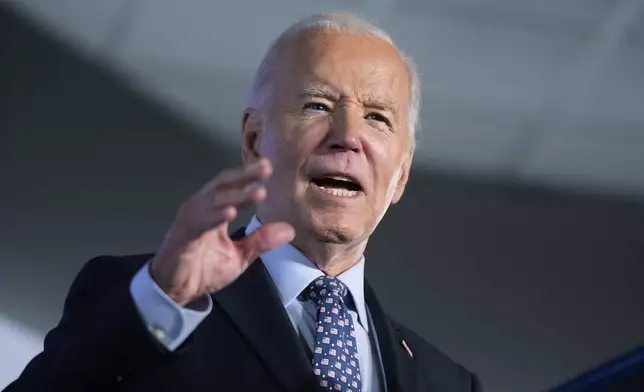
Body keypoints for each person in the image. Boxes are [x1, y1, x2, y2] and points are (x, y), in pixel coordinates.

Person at [4, 12, 482, 392]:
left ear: (400, 174)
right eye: (317, 105)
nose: (348, 136)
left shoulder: (447, 382)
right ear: (255, 140)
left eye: (377, 117)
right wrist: (161, 301)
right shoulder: (149, 299)